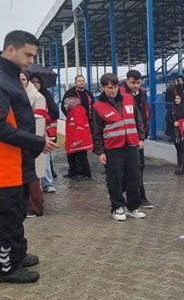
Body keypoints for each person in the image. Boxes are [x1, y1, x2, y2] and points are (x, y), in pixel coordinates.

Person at [0, 30, 57, 284]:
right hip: (4, 163)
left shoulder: (8, 77)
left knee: (18, 212)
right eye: (27, 54)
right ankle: (6, 268)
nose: (31, 60)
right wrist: (37, 142)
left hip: (18, 160)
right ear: (10, 50)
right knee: (8, 216)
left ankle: (17, 254)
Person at [93, 73, 147, 221]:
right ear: (103, 87)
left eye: (116, 87)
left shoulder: (129, 99)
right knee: (115, 178)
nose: (113, 90)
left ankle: (133, 207)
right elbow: (96, 131)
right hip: (113, 147)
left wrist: (141, 138)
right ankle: (117, 207)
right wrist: (100, 151)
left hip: (131, 145)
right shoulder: (98, 107)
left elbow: (138, 119)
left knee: (134, 176)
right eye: (110, 88)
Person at [121, 70, 153, 209]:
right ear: (127, 80)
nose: (136, 86)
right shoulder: (121, 94)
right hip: (124, 137)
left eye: (138, 83)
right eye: (133, 82)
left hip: (138, 137)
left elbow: (144, 115)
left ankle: (140, 196)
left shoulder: (142, 94)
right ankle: (122, 192)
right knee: (124, 169)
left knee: (139, 167)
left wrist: (142, 135)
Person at [20, 71, 47, 217]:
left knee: (33, 176)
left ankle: (35, 207)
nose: (21, 82)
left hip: (33, 142)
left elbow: (39, 123)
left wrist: (35, 143)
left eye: (23, 79)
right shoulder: (20, 95)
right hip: (25, 141)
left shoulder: (38, 97)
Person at [30, 74, 59, 193]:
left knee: (45, 159)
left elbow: (55, 112)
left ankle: (47, 183)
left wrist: (43, 119)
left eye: (37, 82)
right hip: (29, 131)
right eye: (33, 82)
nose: (35, 84)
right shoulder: (23, 96)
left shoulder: (47, 96)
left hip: (44, 131)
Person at [61, 74, 94, 179]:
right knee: (72, 152)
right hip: (74, 123)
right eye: (79, 81)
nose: (81, 82)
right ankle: (74, 171)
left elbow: (93, 107)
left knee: (80, 151)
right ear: (75, 82)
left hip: (85, 123)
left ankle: (83, 172)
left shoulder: (89, 94)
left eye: (83, 81)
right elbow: (64, 106)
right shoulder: (70, 93)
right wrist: (71, 118)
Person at [165, 94, 184, 175]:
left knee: (183, 148)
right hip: (175, 131)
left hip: (183, 131)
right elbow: (167, 118)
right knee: (178, 148)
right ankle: (180, 165)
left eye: (178, 98)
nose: (176, 100)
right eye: (176, 98)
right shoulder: (172, 108)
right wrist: (173, 122)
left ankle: (183, 167)